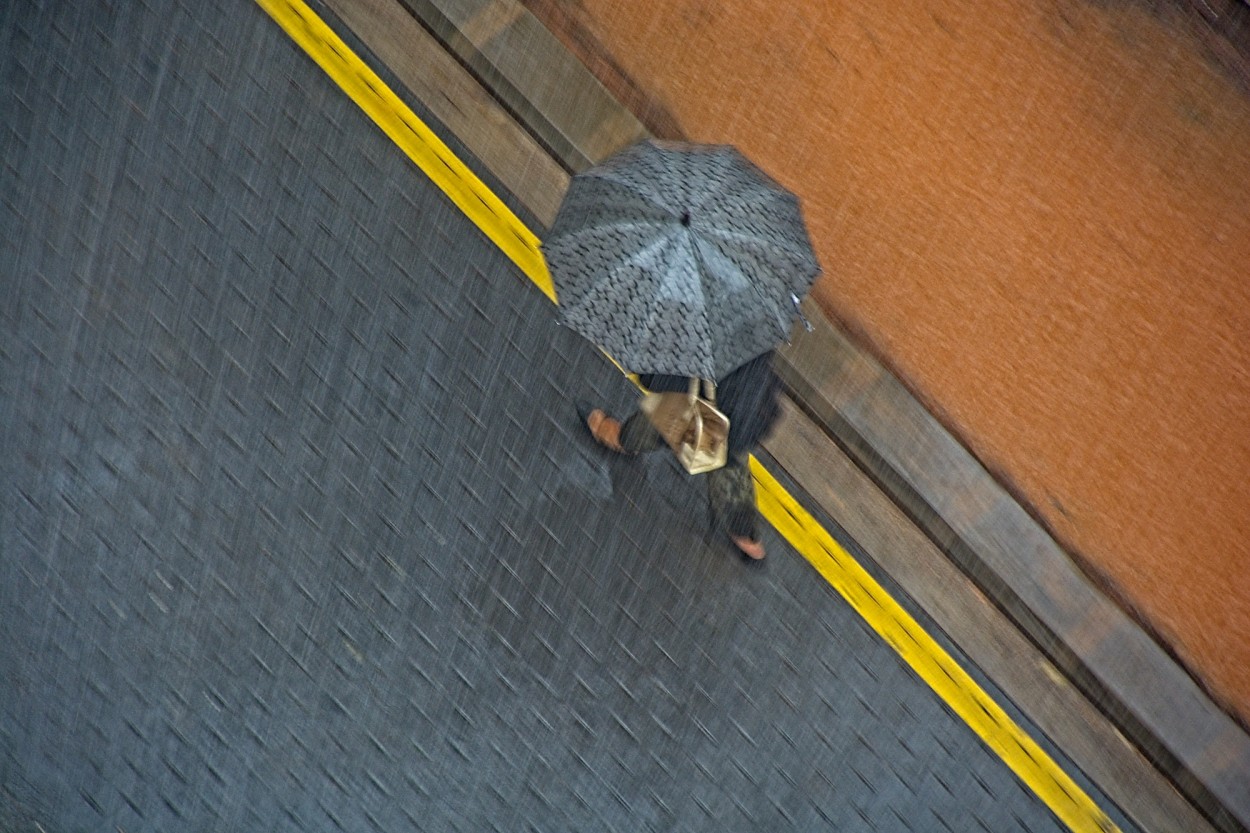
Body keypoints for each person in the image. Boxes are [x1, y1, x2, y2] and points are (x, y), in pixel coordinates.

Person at [577, 351, 783, 560]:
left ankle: (620, 438)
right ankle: (745, 535)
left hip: (692, 408)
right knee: (729, 466)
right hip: (743, 411)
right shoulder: (748, 338)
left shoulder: (690, 339)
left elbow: (655, 380)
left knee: (656, 425)